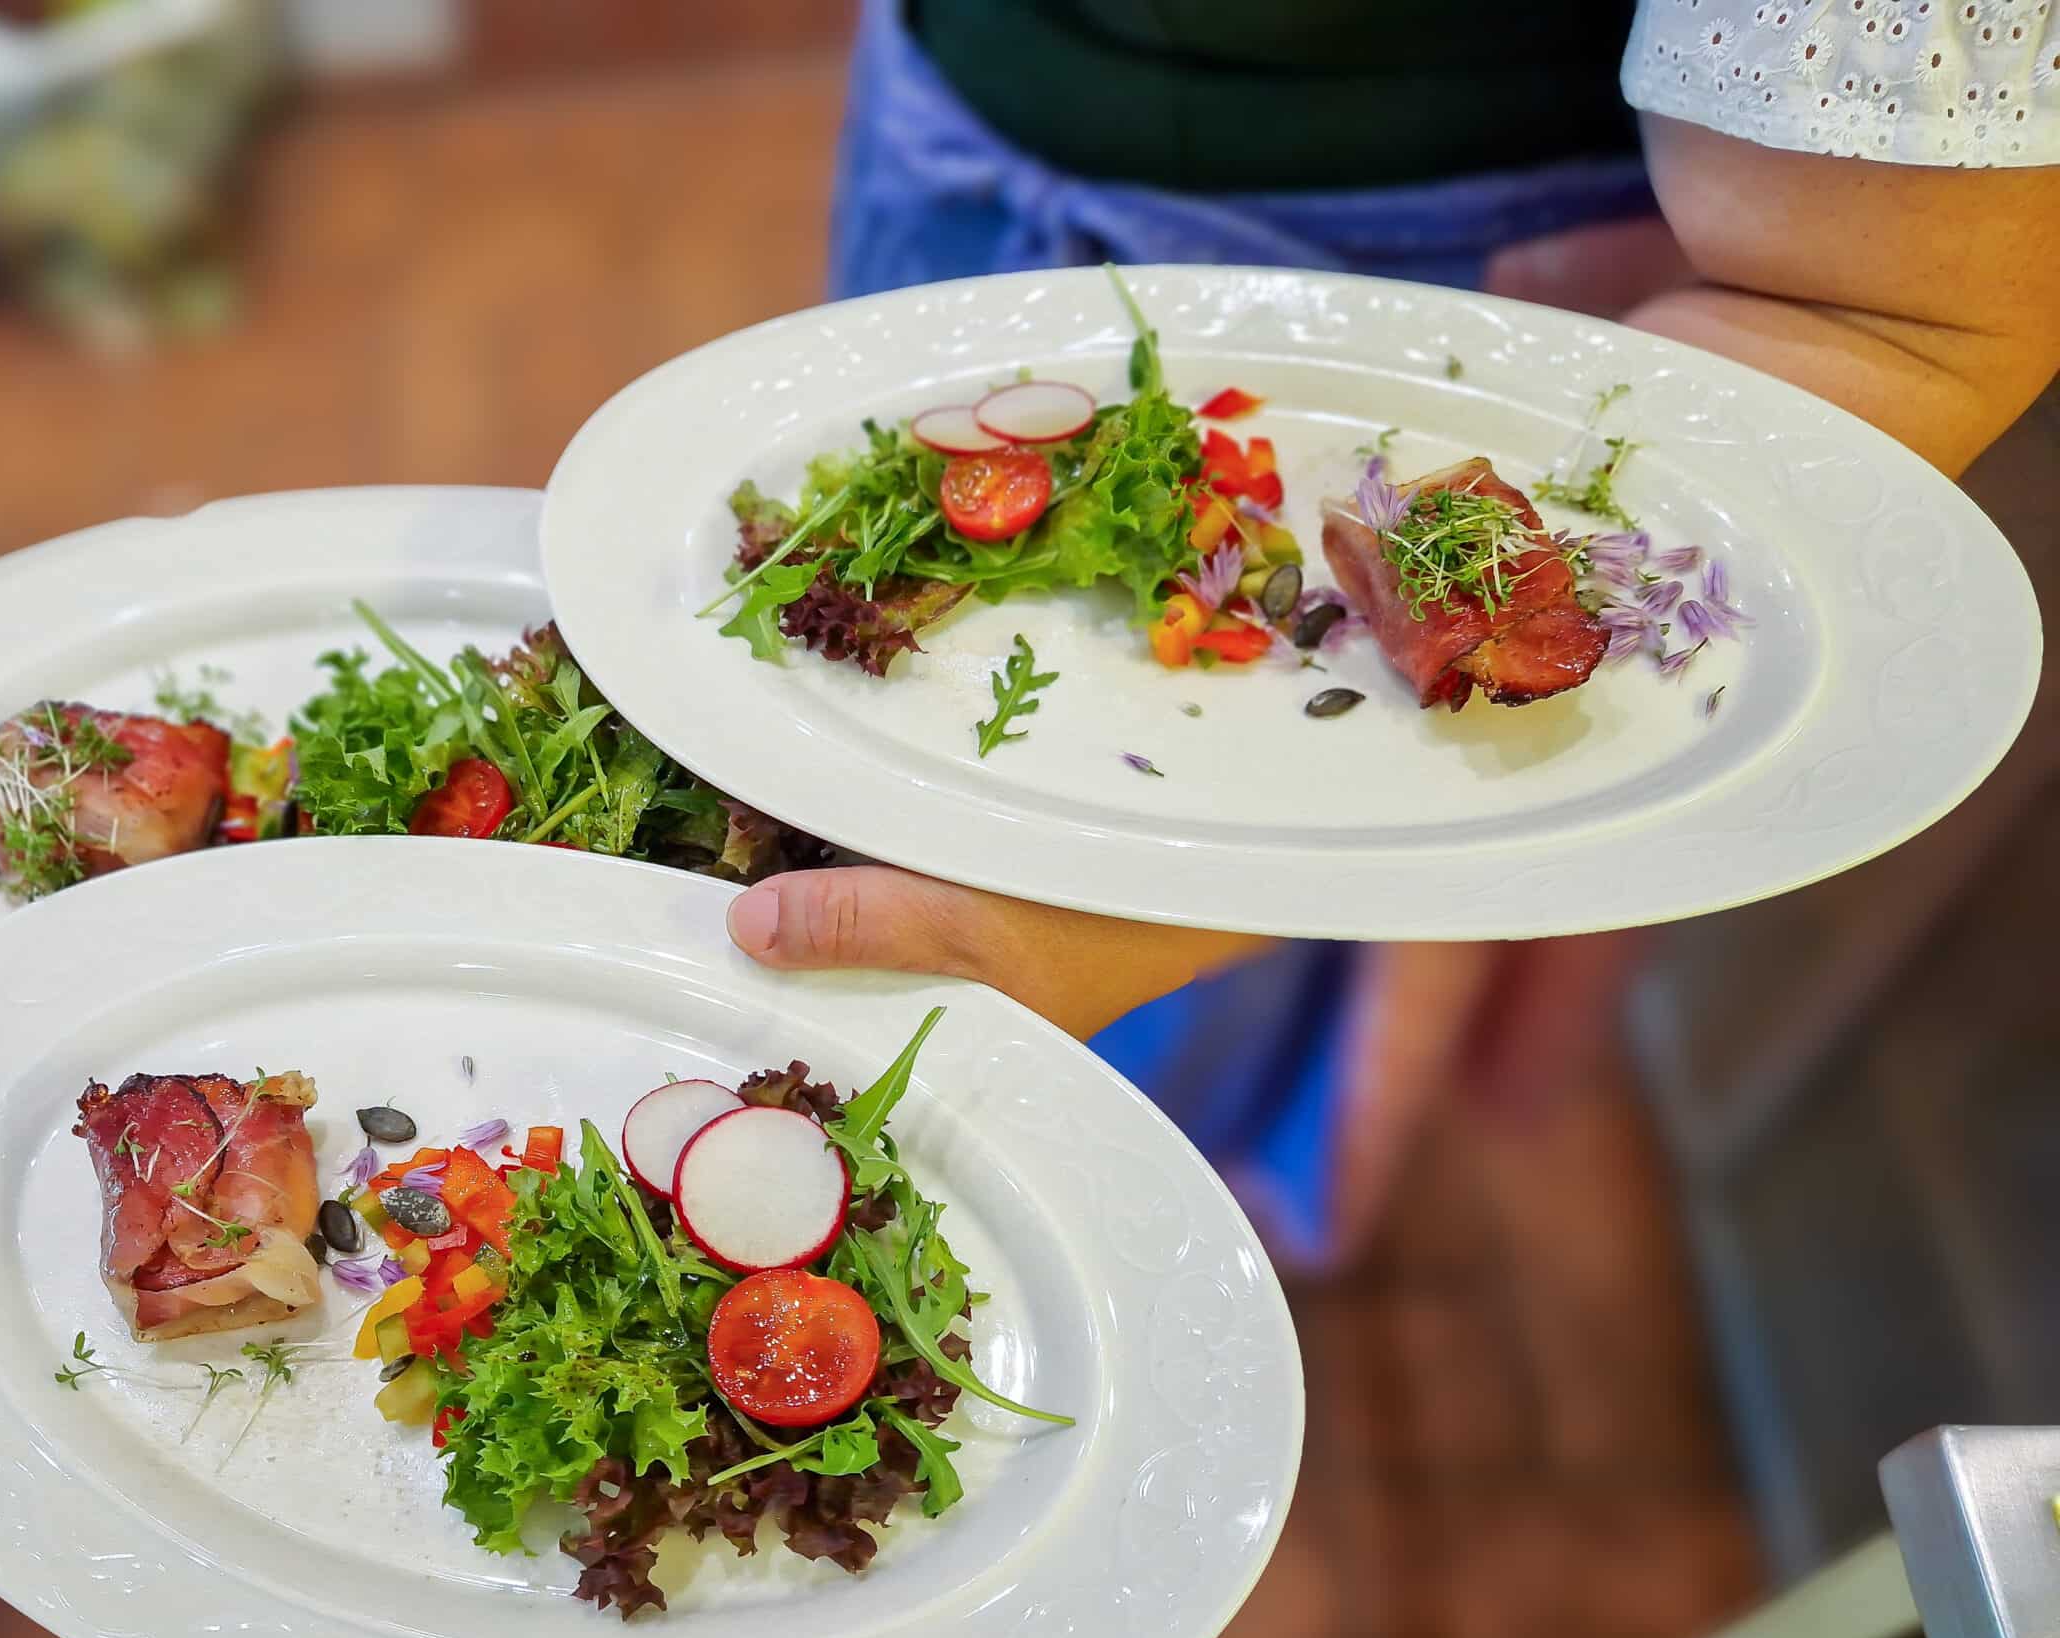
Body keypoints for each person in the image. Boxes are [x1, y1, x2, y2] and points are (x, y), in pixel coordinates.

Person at [719, 0, 2060, 1271]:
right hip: (948, 173)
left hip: (1413, 319)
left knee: (1163, 1087)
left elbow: (1891, 312)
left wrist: (1167, 894)